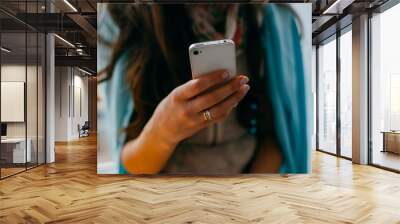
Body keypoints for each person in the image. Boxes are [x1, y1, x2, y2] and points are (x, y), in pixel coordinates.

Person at [98, 4, 310, 175]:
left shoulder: (273, 21)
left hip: (247, 180)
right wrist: (163, 132)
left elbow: (279, 136)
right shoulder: (123, 16)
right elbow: (128, 161)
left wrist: (243, 196)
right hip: (166, 194)